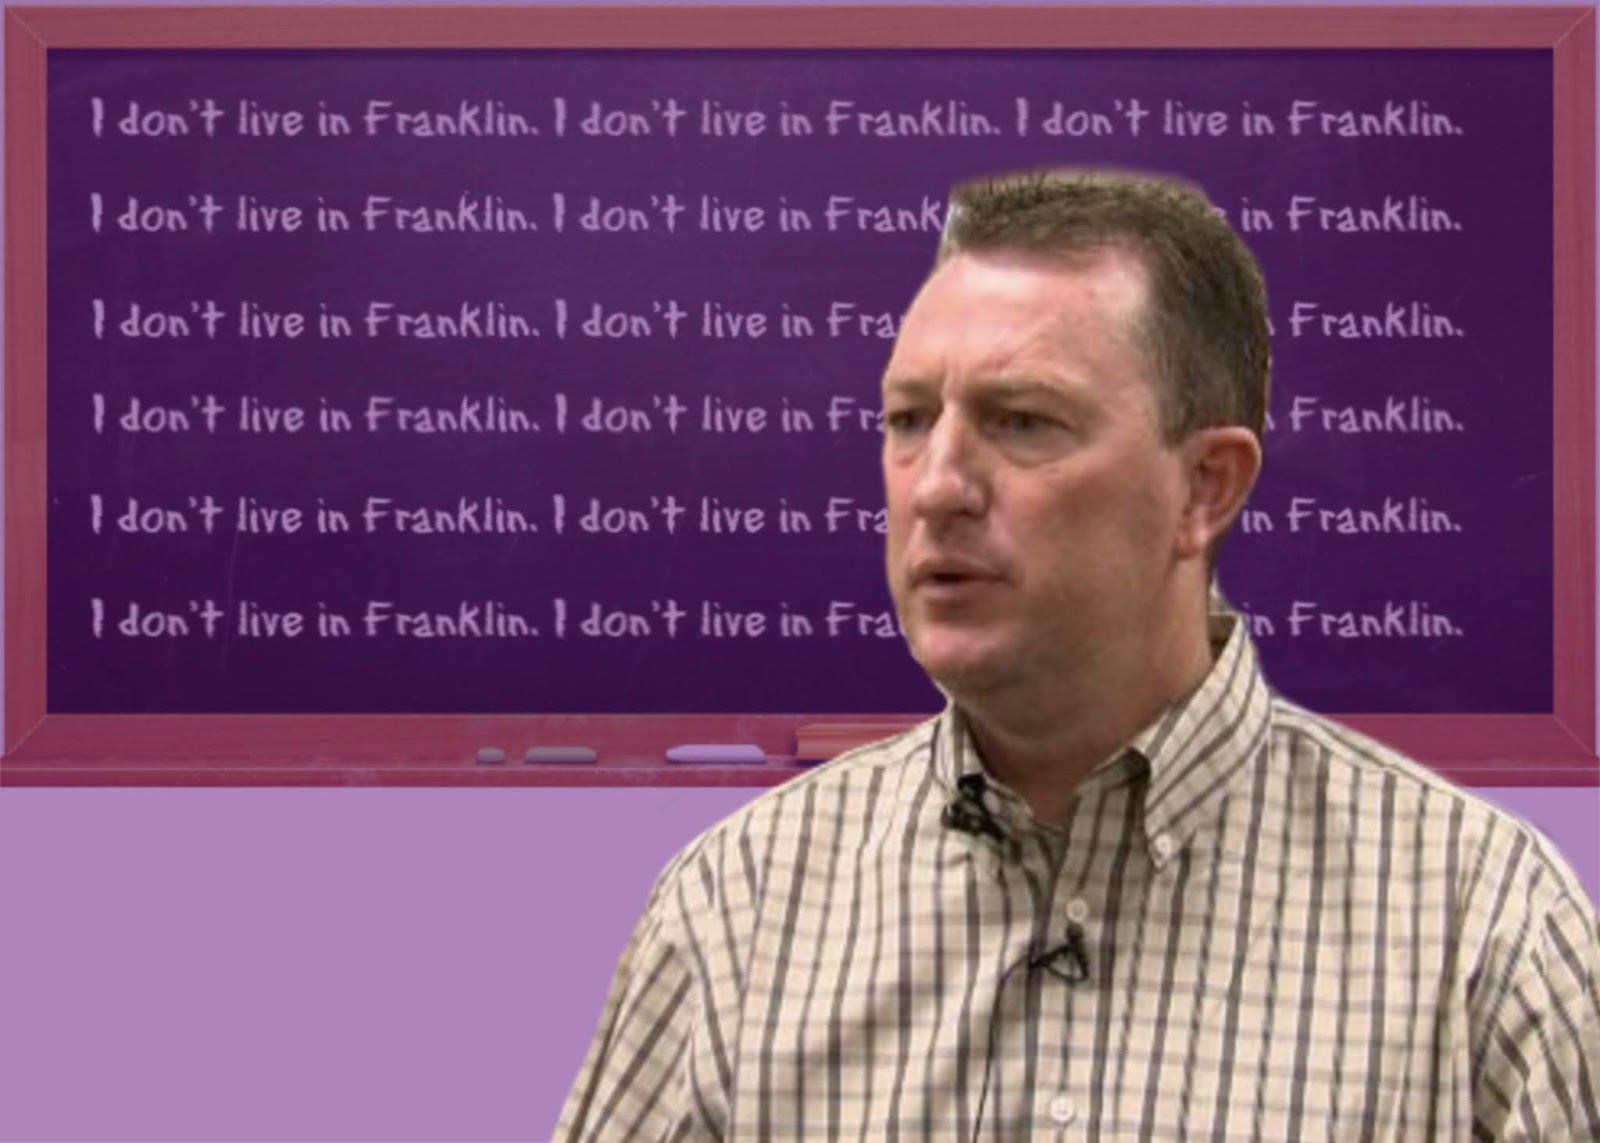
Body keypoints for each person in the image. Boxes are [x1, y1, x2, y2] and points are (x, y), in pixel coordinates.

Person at [553, 167, 1600, 1141]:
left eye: (1021, 421)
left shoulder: (1478, 928)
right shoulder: (740, 907)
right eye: (908, 420)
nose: (936, 485)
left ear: (1204, 489)